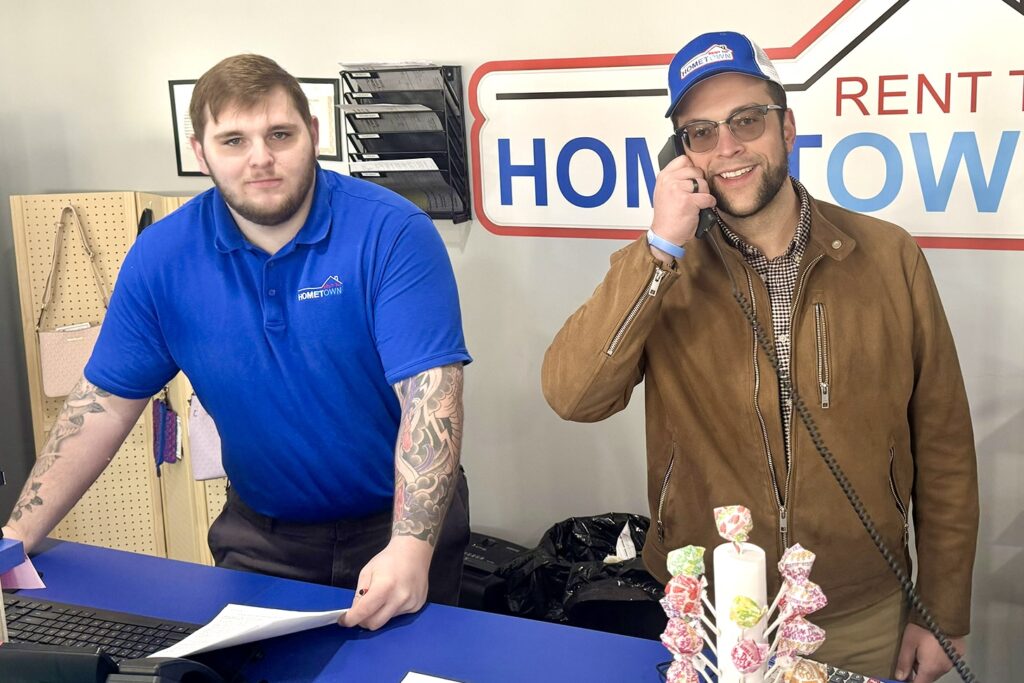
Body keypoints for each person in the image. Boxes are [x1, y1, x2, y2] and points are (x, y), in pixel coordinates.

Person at [541, 32, 977, 682]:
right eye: (701, 132)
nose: (728, 148)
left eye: (747, 120)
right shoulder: (662, 271)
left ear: (787, 126)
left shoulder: (889, 258)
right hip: (709, 617)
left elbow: (943, 449)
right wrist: (659, 249)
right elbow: (572, 395)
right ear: (681, 153)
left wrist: (942, 609)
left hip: (860, 611)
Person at [2, 54, 471, 631]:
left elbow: (431, 399)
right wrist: (14, 539)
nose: (261, 158)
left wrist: (411, 549)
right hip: (262, 538)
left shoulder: (393, 232)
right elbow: (101, 406)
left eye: (280, 134)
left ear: (313, 135)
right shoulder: (162, 258)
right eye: (233, 140)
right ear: (200, 152)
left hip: (398, 526)